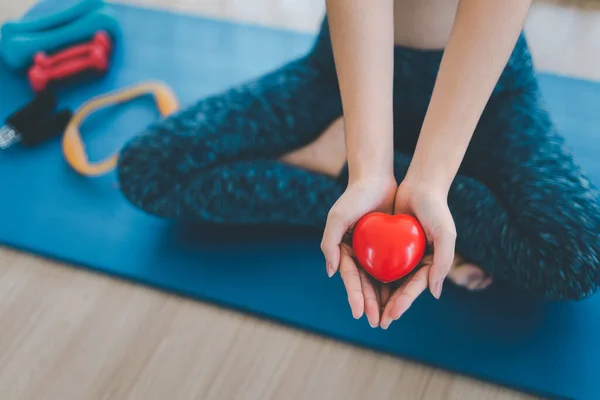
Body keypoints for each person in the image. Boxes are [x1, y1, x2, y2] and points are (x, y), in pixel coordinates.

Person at [116, 0, 600, 330]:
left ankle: (363, 179)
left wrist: (430, 180)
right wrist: (367, 171)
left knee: (580, 258)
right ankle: (375, 192)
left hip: (487, 89)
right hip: (344, 77)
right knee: (150, 169)